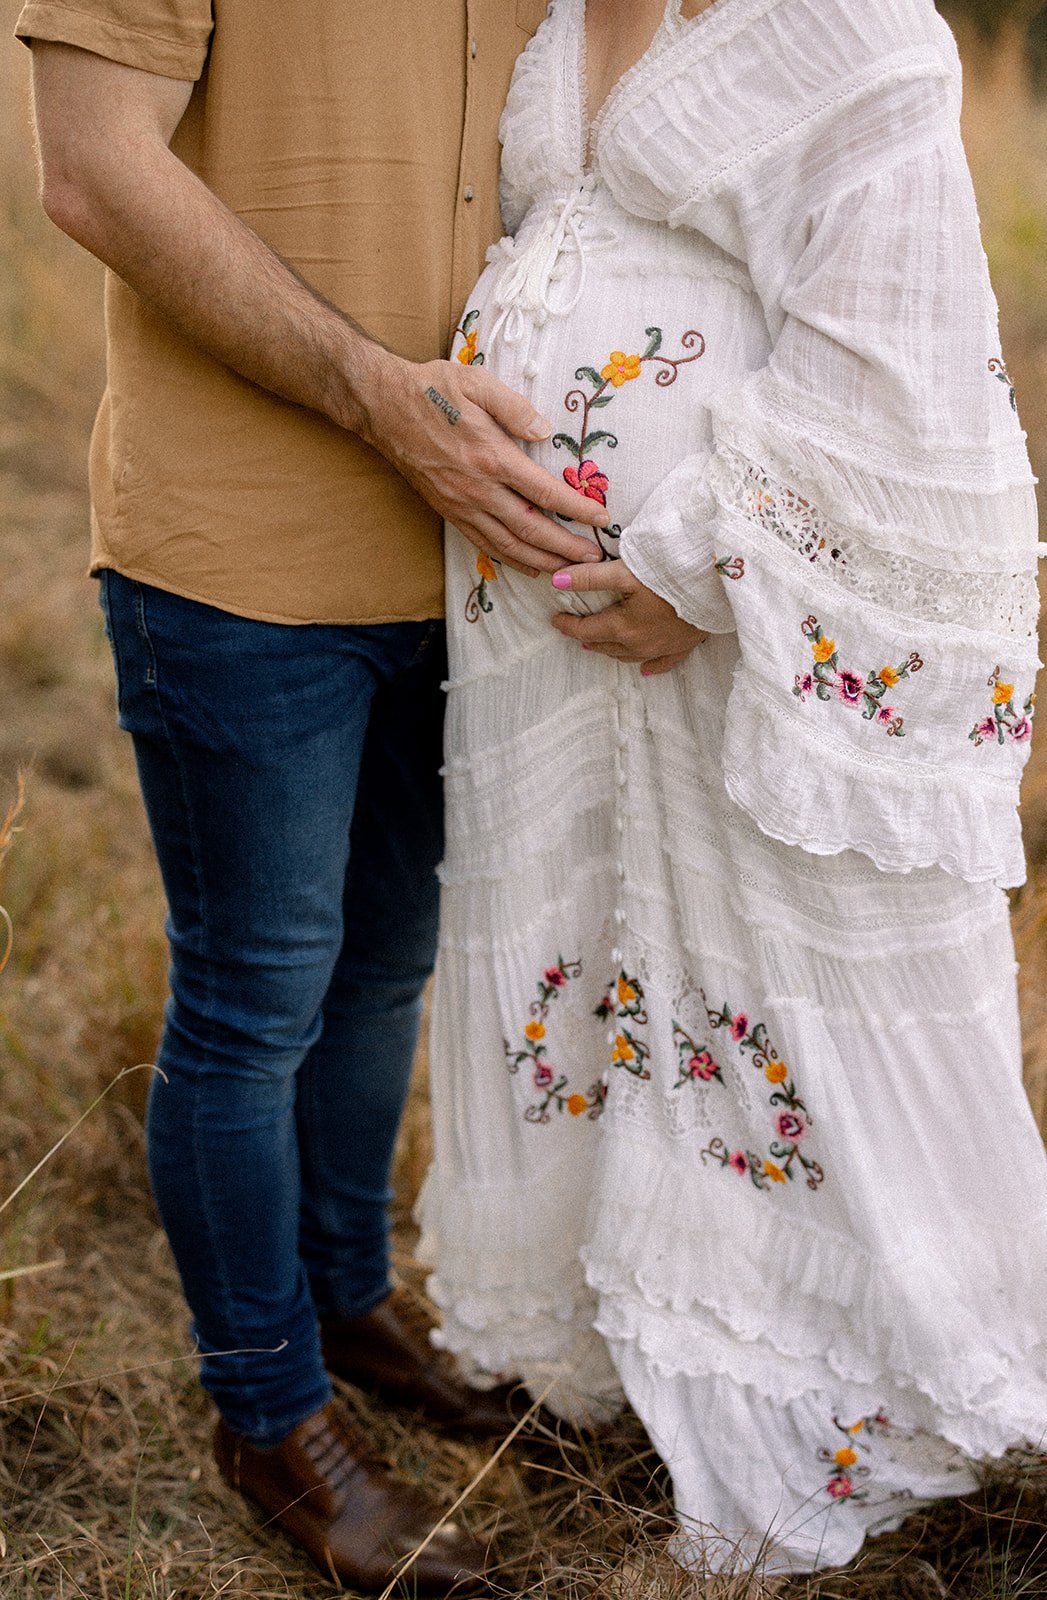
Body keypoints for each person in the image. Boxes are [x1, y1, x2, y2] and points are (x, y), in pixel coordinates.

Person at [420, 0, 1047, 1580]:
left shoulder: (858, 23)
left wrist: (695, 562)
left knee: (782, 957)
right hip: (537, 624)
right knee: (584, 920)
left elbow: (890, 344)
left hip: (739, 615)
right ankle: (619, 1335)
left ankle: (852, 1365)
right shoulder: (544, 11)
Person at [16, 1, 612, 1590]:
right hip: (242, 553)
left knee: (384, 967)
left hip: (470, 558)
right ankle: (269, 1413)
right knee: (255, 999)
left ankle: (348, 1302)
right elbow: (90, 172)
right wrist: (367, 389)